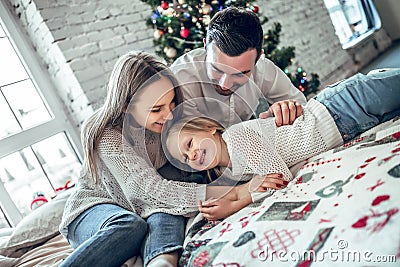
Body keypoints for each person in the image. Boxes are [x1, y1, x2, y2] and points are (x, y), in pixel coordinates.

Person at [59, 51, 281, 267]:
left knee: (172, 208)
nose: (168, 115)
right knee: (131, 225)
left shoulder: (171, 123)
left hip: (146, 208)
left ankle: (161, 261)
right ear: (127, 106)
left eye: (171, 102)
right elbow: (150, 192)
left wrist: (267, 126)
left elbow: (214, 147)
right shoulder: (108, 136)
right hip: (95, 209)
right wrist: (236, 192)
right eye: (156, 109)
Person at [164, 68, 400, 220]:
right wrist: (233, 197)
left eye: (190, 144)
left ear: (209, 128)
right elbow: (263, 181)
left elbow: (278, 178)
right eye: (186, 159)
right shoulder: (235, 168)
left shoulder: (235, 138)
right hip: (349, 128)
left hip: (340, 108)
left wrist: (236, 203)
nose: (192, 155)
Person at [170, 7, 306, 127]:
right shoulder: (180, 78)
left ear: (258, 58)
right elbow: (188, 138)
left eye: (239, 74)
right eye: (217, 69)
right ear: (205, 46)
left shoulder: (263, 68)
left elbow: (303, 107)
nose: (225, 85)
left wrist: (287, 111)